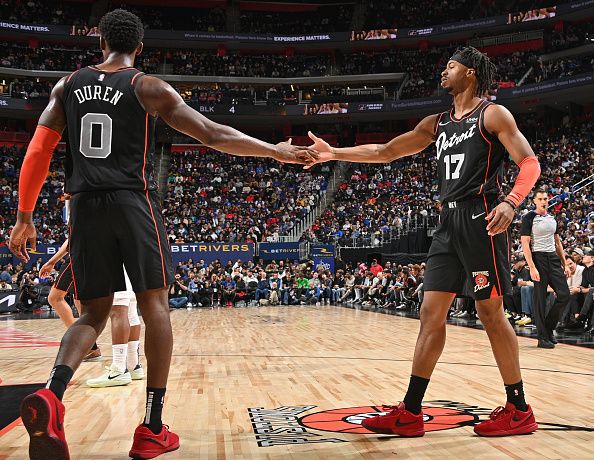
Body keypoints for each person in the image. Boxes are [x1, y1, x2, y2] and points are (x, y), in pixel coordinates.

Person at [9, 9, 315, 460]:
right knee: (155, 305)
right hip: (133, 201)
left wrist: (24, 216)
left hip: (85, 206)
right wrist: (275, 151)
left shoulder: (68, 85)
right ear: (140, 47)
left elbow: (38, 150)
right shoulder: (146, 86)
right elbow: (212, 133)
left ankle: (53, 395)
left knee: (91, 313)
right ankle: (151, 426)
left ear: (100, 45)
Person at [307, 46, 541, 437]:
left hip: (481, 218)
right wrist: (334, 152)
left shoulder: (493, 114)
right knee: (430, 313)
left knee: (490, 314)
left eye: (451, 66)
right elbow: (385, 151)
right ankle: (411, 411)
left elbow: (530, 163)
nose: (444, 71)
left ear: (470, 74)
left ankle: (518, 407)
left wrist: (511, 202)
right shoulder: (438, 123)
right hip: (447, 222)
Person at [520, 188, 570, 348]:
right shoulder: (528, 218)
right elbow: (525, 244)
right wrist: (532, 267)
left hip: (553, 259)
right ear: (534, 201)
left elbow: (557, 242)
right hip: (538, 258)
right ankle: (542, 337)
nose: (543, 201)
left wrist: (564, 263)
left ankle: (548, 328)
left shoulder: (551, 218)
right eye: (540, 199)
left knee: (564, 295)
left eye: (545, 199)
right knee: (540, 299)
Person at [40, 239, 101, 361]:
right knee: (79, 301)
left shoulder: (80, 220)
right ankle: (91, 348)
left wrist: (51, 262)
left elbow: (71, 239)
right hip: (93, 255)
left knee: (55, 298)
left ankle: (84, 345)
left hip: (79, 256)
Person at [86, 267, 145, 387]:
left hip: (116, 260)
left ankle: (119, 370)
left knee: (118, 309)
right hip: (132, 264)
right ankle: (133, 366)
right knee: (131, 311)